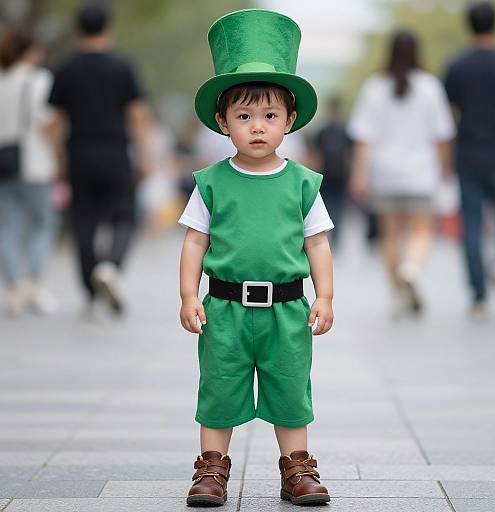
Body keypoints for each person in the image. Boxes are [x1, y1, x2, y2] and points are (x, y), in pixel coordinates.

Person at [178, 9, 334, 507]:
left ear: (290, 120)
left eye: (269, 116)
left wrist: (325, 295)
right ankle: (211, 471)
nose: (257, 128)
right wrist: (188, 294)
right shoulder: (211, 182)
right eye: (244, 117)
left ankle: (298, 470)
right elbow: (195, 242)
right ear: (223, 122)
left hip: (287, 309)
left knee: (290, 389)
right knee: (219, 388)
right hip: (223, 307)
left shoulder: (303, 183)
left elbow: (317, 244)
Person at [48, 3, 152, 316]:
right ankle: (111, 267)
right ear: (109, 29)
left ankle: (91, 291)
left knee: (83, 221)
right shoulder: (122, 67)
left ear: (78, 29)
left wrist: (59, 160)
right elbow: (138, 115)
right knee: (124, 216)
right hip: (115, 152)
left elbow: (54, 121)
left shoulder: (65, 68)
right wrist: (145, 155)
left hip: (79, 152)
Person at [349, 30, 455, 318]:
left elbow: (364, 138)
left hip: (384, 173)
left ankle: (397, 292)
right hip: (421, 172)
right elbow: (442, 135)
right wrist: (446, 170)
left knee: (390, 235)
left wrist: (359, 175)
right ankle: (412, 268)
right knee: (421, 231)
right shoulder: (430, 86)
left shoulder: (375, 86)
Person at [444, 1, 495, 317]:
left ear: (469, 26)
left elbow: (452, 115)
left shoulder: (456, 66)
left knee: (471, 223)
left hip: (468, 155)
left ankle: (479, 296)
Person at [0, 27, 58, 317]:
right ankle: (34, 285)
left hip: (3, 164)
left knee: (6, 226)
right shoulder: (40, 80)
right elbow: (48, 123)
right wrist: (60, 158)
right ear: (31, 51)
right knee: (42, 224)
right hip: (36, 162)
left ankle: (13, 289)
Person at [312, 97, 351, 249]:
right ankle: (328, 235)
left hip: (341, 175)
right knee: (327, 206)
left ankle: (336, 236)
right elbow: (316, 153)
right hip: (325, 174)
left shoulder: (345, 131)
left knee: (339, 207)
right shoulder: (323, 131)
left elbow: (349, 154)